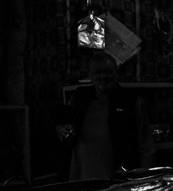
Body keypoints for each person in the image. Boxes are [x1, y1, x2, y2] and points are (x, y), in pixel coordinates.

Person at [54, 52, 154, 180]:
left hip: (119, 180)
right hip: (80, 178)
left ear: (116, 74)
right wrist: (62, 130)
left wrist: (144, 178)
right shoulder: (78, 98)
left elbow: (146, 146)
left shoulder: (132, 101)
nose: (103, 76)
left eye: (108, 72)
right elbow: (62, 130)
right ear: (90, 75)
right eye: (97, 72)